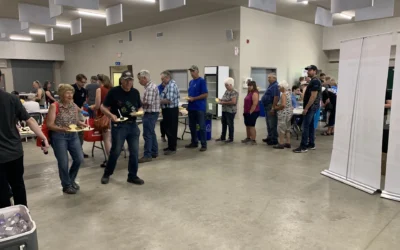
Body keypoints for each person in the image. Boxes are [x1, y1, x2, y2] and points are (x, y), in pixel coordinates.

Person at [0, 70, 49, 208]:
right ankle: (23, 216)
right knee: (18, 186)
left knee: (2, 191)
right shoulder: (12, 99)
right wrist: (43, 137)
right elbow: (30, 120)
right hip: (14, 151)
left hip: (8, 153)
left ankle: (5, 219)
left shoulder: (12, 99)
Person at [100, 70, 144, 185]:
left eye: (131, 80)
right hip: (119, 125)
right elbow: (102, 107)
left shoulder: (135, 92)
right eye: (127, 80)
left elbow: (139, 107)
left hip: (133, 125)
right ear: (122, 81)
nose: (129, 82)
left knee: (134, 152)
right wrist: (111, 115)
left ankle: (132, 176)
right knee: (116, 151)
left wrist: (139, 112)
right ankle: (107, 173)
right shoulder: (114, 92)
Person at [47, 84, 87, 194]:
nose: (70, 95)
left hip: (73, 135)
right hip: (59, 136)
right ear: (61, 94)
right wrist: (61, 129)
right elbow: (49, 124)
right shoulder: (54, 106)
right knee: (63, 162)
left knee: (79, 158)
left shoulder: (73, 105)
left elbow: (75, 120)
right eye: (67, 93)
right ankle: (66, 185)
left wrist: (81, 123)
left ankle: (71, 179)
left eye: (71, 93)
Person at [293, 65, 322, 153]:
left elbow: (313, 96)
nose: (308, 72)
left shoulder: (315, 81)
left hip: (311, 107)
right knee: (310, 126)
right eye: (307, 70)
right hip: (312, 107)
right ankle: (311, 144)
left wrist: (306, 108)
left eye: (310, 70)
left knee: (305, 126)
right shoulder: (313, 81)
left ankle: (303, 146)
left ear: (315, 71)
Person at [90, 74, 112, 168]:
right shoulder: (112, 89)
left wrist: (92, 107)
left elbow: (98, 105)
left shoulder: (99, 90)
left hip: (104, 116)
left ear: (100, 81)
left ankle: (110, 160)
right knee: (112, 139)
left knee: (106, 140)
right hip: (113, 115)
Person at [137, 70, 160, 163]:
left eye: (140, 79)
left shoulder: (150, 88)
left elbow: (148, 103)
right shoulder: (149, 87)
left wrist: (138, 102)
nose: (139, 82)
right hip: (151, 113)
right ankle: (154, 151)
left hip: (150, 114)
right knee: (151, 133)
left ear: (145, 78)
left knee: (147, 134)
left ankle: (147, 155)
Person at [185, 65, 208, 152]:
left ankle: (203, 144)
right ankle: (194, 142)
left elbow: (205, 94)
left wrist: (194, 98)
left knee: (201, 127)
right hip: (191, 107)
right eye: (190, 71)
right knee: (192, 126)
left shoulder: (201, 81)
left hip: (199, 108)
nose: (191, 73)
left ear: (197, 71)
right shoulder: (191, 82)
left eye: (193, 71)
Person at [160, 71, 180, 155]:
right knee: (168, 129)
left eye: (162, 79)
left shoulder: (171, 85)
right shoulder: (167, 85)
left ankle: (172, 148)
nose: (162, 81)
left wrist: (157, 101)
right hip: (168, 110)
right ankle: (170, 146)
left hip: (171, 111)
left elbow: (169, 100)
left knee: (171, 130)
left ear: (167, 77)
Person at [216, 77, 238, 143]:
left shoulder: (234, 92)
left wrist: (223, 102)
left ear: (231, 85)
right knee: (224, 123)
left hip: (230, 111)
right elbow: (225, 98)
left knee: (230, 124)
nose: (226, 87)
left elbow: (233, 102)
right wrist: (220, 100)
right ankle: (223, 137)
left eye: (226, 85)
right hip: (224, 110)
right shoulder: (227, 91)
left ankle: (231, 138)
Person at [73, 74, 89, 158]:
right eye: (82, 82)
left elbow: (83, 101)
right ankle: (74, 151)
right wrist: (81, 110)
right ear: (77, 80)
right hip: (71, 111)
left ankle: (80, 150)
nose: (83, 84)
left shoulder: (84, 90)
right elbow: (71, 103)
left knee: (81, 131)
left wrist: (88, 107)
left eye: (85, 82)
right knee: (72, 131)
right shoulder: (72, 88)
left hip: (79, 111)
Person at [273, 81, 293, 149]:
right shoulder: (289, 93)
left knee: (281, 128)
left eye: (279, 87)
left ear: (283, 87)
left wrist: (276, 108)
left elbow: (283, 105)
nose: (278, 88)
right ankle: (288, 142)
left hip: (283, 113)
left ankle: (281, 143)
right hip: (289, 113)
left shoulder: (283, 94)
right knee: (288, 128)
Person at [261, 73, 280, 145]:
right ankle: (269, 137)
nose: (268, 79)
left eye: (269, 77)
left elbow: (276, 97)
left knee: (272, 123)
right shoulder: (271, 85)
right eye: (268, 77)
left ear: (274, 78)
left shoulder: (275, 86)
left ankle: (274, 139)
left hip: (270, 106)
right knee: (268, 123)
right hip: (266, 106)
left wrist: (273, 108)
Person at [242, 81, 260, 145]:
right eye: (248, 85)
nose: (249, 87)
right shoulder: (249, 93)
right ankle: (248, 138)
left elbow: (255, 104)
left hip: (253, 112)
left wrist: (250, 112)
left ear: (253, 86)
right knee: (247, 125)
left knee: (252, 126)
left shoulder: (255, 93)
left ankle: (253, 140)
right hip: (246, 112)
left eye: (250, 85)